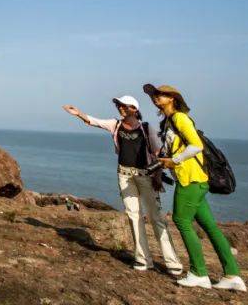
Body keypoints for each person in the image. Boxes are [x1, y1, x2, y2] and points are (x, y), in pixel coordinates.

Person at [62, 96, 183, 276]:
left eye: (124, 106)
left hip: (145, 176)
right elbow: (94, 121)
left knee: (156, 217)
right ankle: (143, 259)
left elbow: (158, 155)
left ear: (134, 109)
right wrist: (78, 113)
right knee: (133, 217)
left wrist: (157, 177)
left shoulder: (146, 128)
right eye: (119, 105)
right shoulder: (115, 125)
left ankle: (173, 262)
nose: (121, 108)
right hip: (124, 175)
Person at [143, 84, 246, 291]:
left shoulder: (180, 118)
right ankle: (232, 275)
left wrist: (175, 160)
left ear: (172, 98)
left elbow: (196, 145)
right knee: (210, 226)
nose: (156, 98)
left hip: (191, 179)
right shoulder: (168, 122)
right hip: (194, 180)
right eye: (154, 95)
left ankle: (199, 273)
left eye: (161, 95)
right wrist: (165, 159)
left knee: (181, 220)